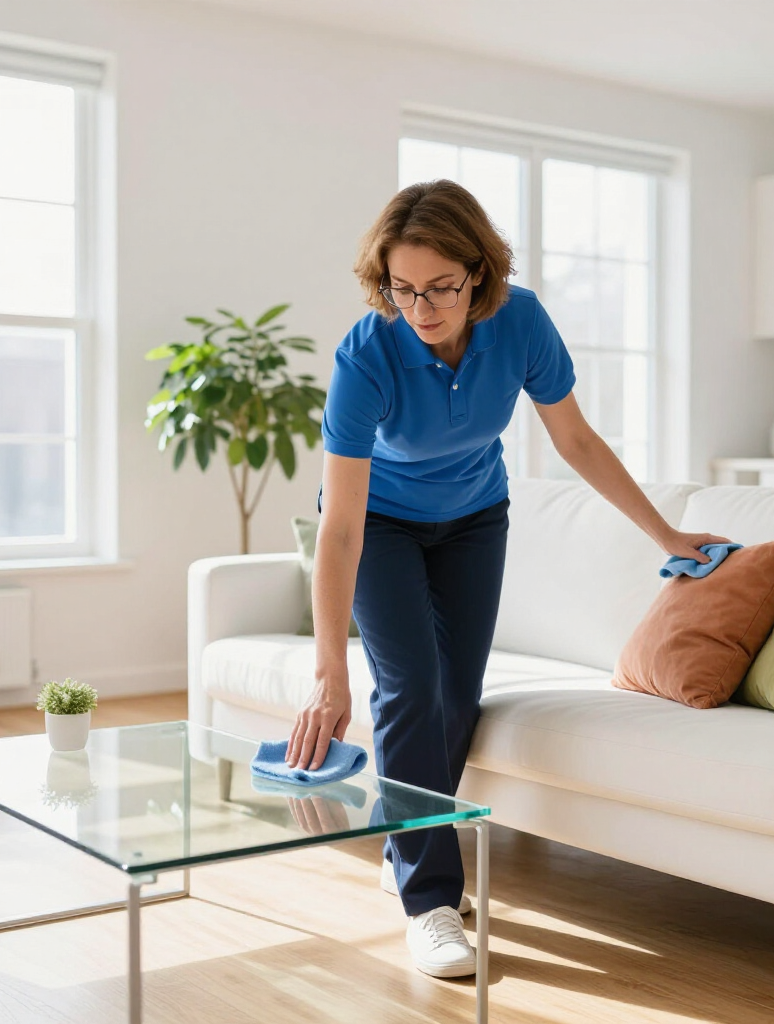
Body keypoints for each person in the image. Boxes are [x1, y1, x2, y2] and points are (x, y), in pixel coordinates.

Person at [287, 180, 729, 979]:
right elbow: (342, 526)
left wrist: (666, 533)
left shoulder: (519, 321)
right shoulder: (367, 354)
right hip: (380, 524)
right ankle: (429, 902)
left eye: (441, 287)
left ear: (479, 273)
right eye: (402, 288)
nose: (421, 308)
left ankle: (404, 842)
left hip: (475, 518)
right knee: (411, 685)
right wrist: (328, 671)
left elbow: (576, 440)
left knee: (458, 694)